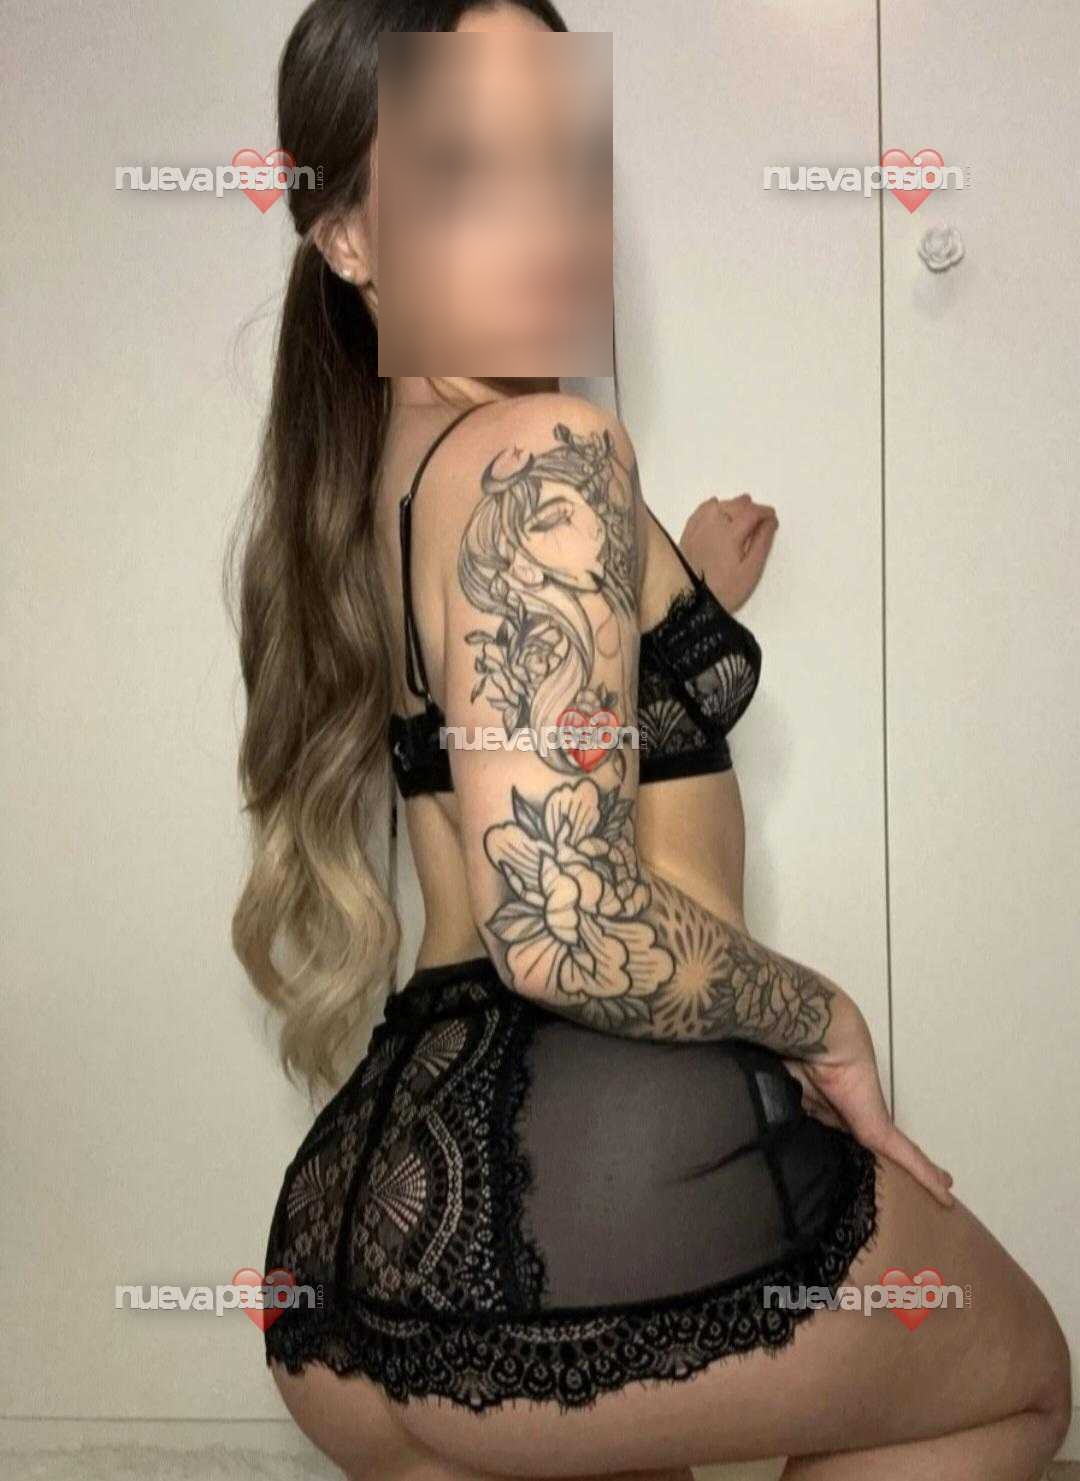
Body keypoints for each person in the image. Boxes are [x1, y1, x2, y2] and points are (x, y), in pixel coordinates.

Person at [228, 3, 1072, 1478]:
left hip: (368, 1237)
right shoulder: (544, 450)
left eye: (565, 155)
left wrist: (681, 599)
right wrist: (819, 1017)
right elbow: (562, 926)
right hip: (608, 1176)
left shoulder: (366, 479)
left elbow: (500, 721)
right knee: (1014, 1386)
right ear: (350, 235)